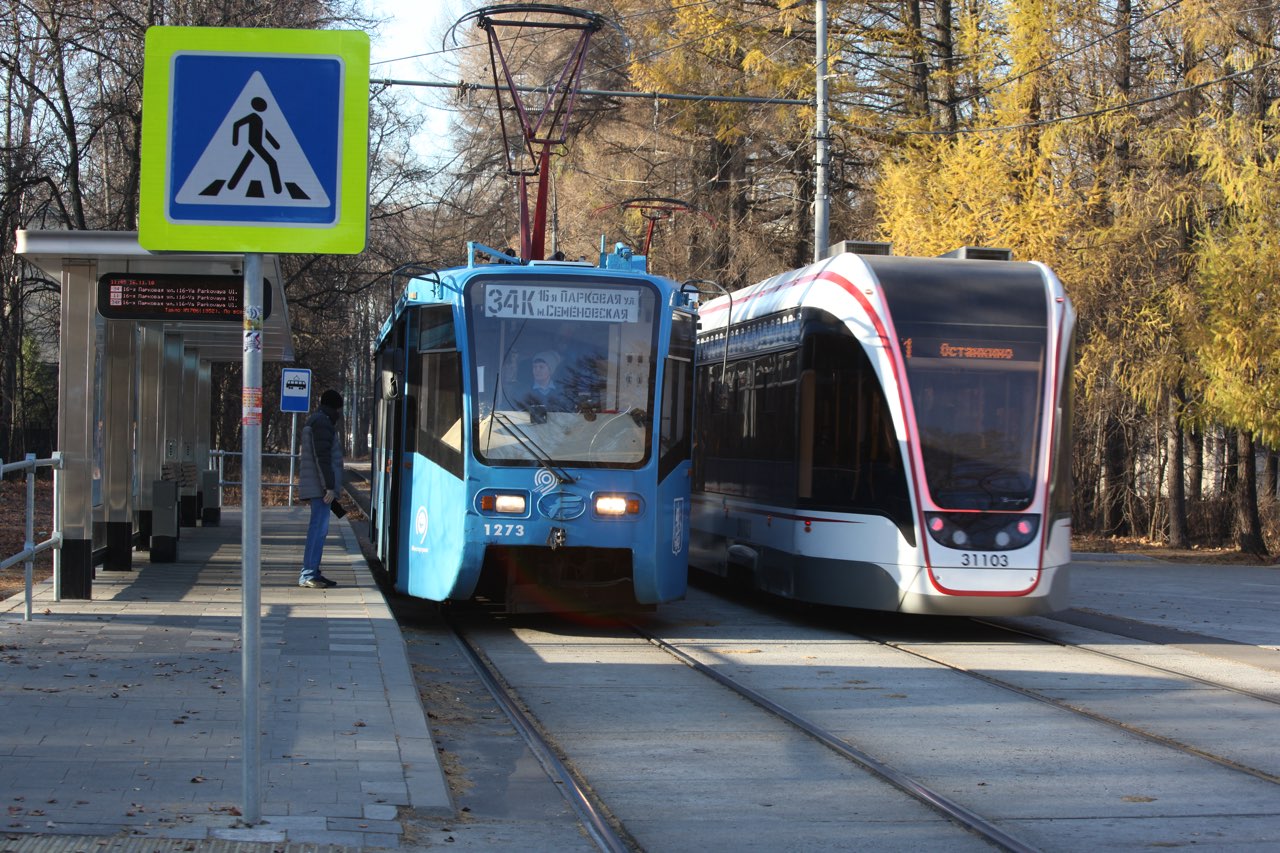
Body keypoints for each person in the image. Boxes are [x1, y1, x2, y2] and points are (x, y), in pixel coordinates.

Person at [298, 389, 344, 589]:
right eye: (339, 409)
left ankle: (312, 571)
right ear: (335, 407)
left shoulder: (317, 421)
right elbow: (322, 458)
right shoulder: (322, 423)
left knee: (317, 530)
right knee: (318, 530)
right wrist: (330, 487)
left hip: (318, 487)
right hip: (321, 488)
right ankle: (308, 574)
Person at [522, 350, 573, 415]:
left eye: (541, 367)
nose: (537, 370)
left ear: (551, 370)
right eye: (534, 367)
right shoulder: (523, 390)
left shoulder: (562, 392)